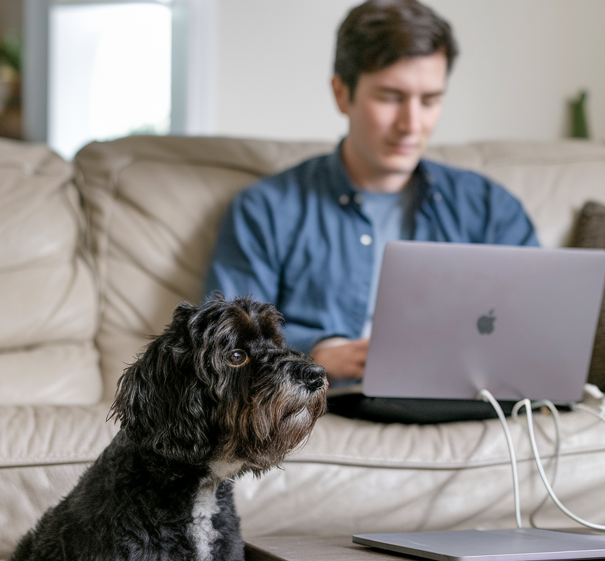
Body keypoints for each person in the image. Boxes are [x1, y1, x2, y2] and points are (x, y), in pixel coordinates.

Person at [203, 0, 538, 423]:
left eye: (430, 100)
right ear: (342, 93)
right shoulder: (266, 210)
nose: (411, 123)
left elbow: (535, 331)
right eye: (390, 97)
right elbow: (223, 347)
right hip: (331, 402)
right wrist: (318, 352)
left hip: (470, 403)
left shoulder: (491, 207)